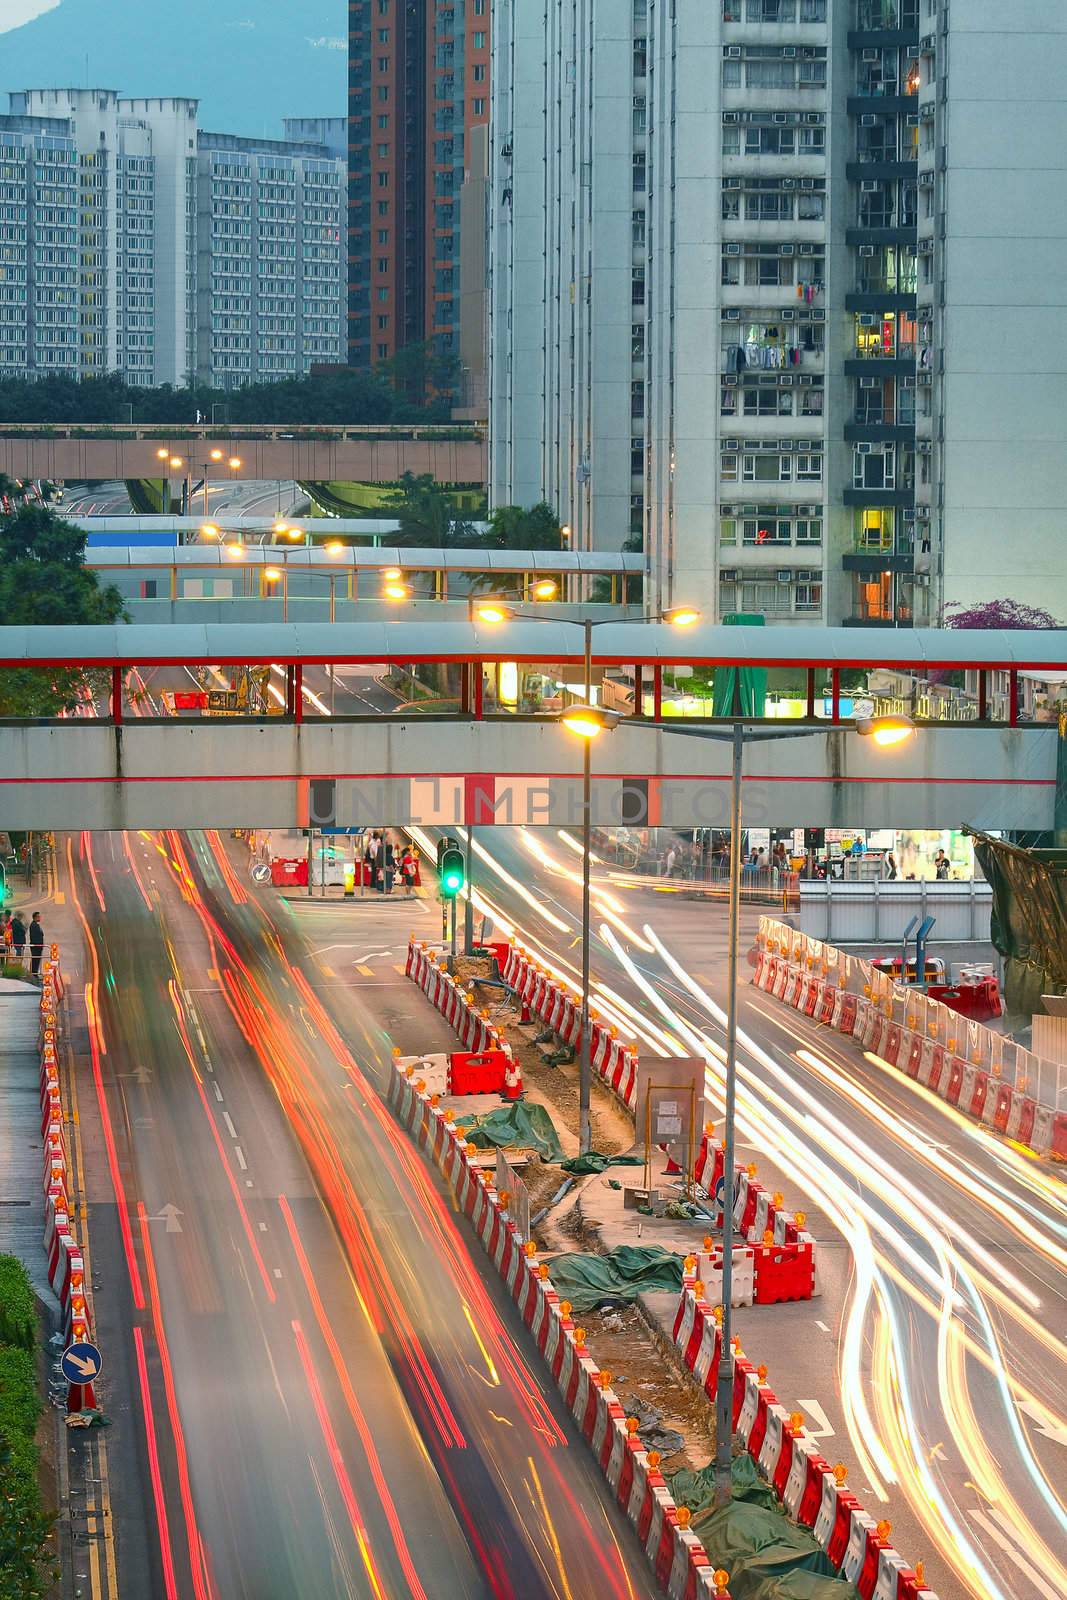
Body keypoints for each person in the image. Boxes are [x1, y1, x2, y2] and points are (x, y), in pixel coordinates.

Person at [28, 912, 44, 977]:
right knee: (35, 960)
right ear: (35, 917)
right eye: (38, 916)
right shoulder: (34, 925)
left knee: (36, 960)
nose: (39, 918)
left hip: (38, 947)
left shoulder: (36, 925)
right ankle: (34, 974)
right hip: (36, 947)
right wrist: (38, 945)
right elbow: (34, 937)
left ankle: (35, 973)